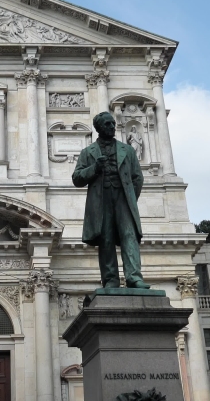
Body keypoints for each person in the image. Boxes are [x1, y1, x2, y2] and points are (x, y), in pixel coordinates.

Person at [72, 112, 148, 289]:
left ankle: (134, 277)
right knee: (106, 240)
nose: (112, 127)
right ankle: (110, 279)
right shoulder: (88, 152)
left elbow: (138, 178)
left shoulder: (128, 150)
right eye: (107, 124)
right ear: (98, 128)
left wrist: (130, 198)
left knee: (129, 236)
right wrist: (95, 168)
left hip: (123, 199)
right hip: (101, 200)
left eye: (113, 124)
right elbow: (77, 178)